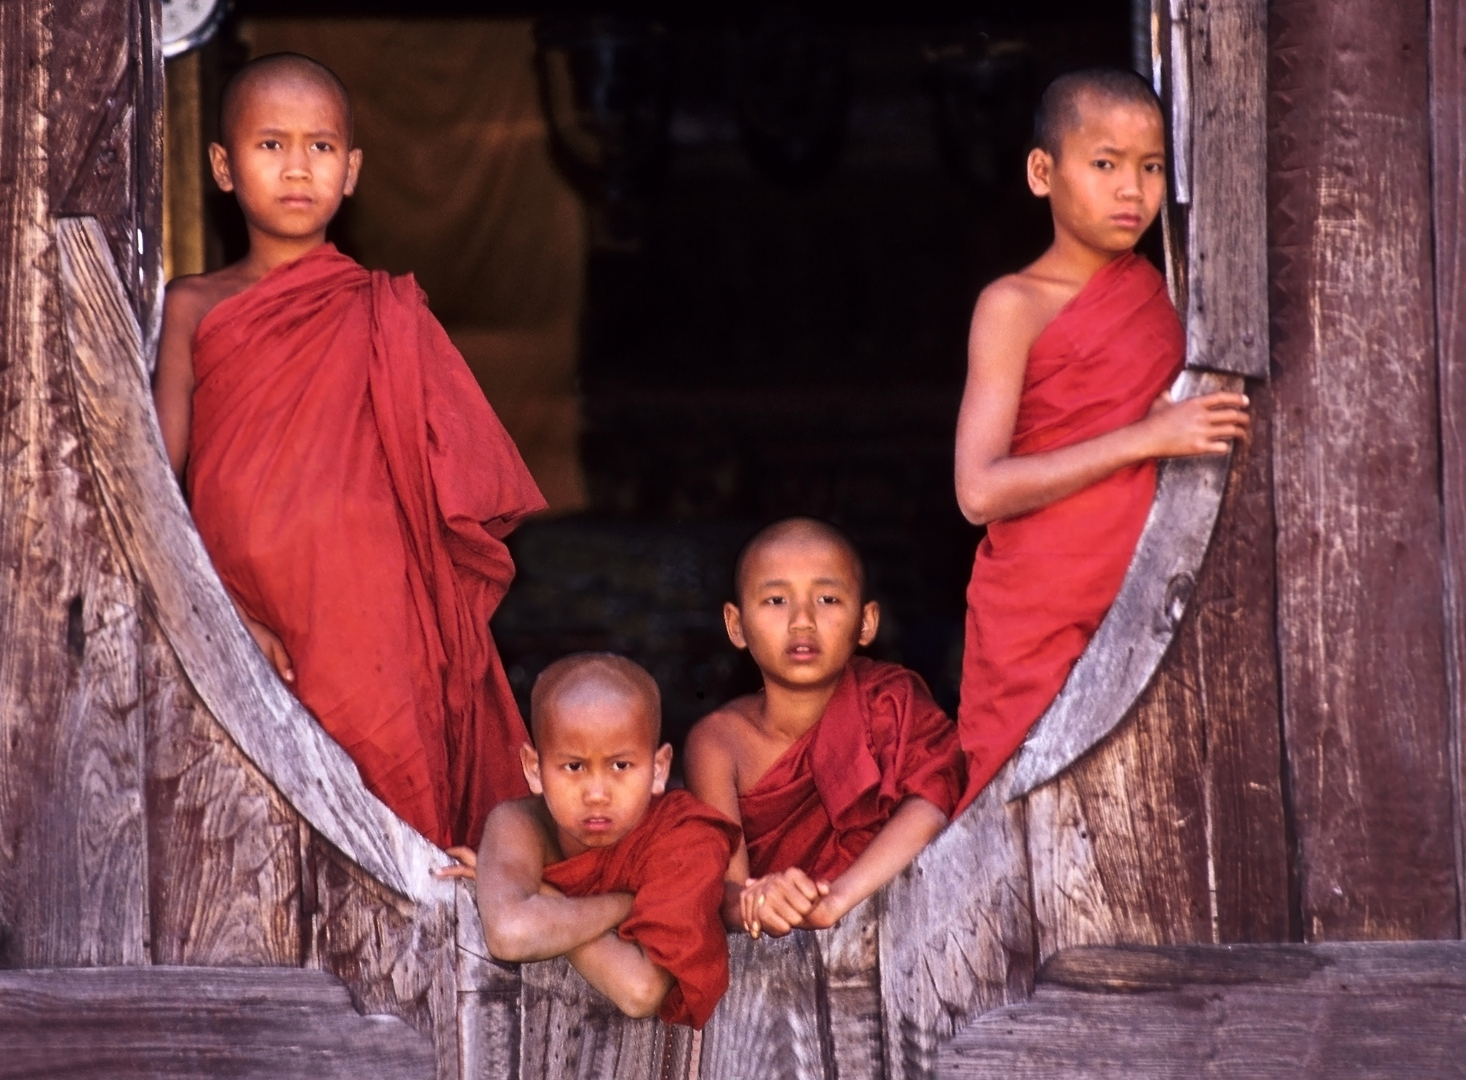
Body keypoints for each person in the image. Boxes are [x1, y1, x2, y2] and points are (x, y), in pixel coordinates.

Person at [151, 53, 546, 849]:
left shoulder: (385, 313)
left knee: (392, 814)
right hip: (241, 608)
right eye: (271, 145)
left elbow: (461, 478)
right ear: (223, 167)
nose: (298, 166)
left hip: (372, 619)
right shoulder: (191, 305)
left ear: (352, 170)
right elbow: (155, 485)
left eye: (322, 147)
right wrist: (219, 609)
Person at [952, 68, 1251, 811]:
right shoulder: (1011, 305)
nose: (1133, 190)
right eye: (1105, 164)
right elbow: (979, 490)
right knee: (1021, 809)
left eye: (1150, 168)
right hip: (1042, 603)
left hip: (1154, 591)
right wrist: (1144, 438)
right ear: (1042, 172)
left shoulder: (1169, 294)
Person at [684, 518, 965, 938]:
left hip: (907, 940)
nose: (802, 620)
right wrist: (759, 900)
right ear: (736, 624)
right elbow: (724, 892)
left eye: (828, 599)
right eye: (776, 600)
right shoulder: (718, 742)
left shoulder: (890, 702)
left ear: (867, 622)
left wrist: (835, 899)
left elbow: (933, 800)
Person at [438, 654, 740, 1028]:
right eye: (574, 767)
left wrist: (544, 897)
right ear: (534, 769)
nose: (597, 793)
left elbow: (641, 990)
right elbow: (509, 934)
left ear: (659, 769)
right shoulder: (521, 823)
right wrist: (625, 904)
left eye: (620, 766)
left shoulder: (686, 838)